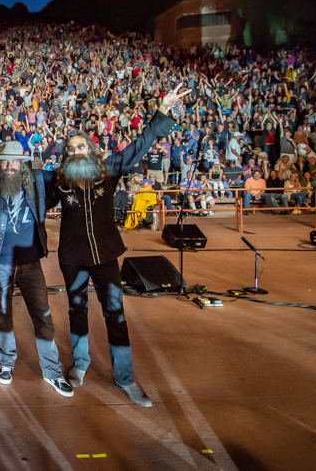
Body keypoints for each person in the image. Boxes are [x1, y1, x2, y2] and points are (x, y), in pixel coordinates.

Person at [50, 83, 191, 408]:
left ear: (91, 150)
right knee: (77, 311)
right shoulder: (58, 179)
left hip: (105, 257)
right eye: (71, 148)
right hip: (72, 259)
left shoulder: (109, 169)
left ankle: (125, 378)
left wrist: (163, 111)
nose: (77, 150)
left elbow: (140, 146)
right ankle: (80, 365)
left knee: (116, 314)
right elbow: (27, 186)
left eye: (81, 145)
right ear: (65, 154)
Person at [0, 141, 72, 397]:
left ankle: (52, 370)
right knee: (2, 315)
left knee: (42, 316)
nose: (9, 166)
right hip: (0, 265)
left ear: (23, 163)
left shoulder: (39, 183)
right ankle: (7, 361)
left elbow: (68, 173)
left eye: (14, 161)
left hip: (31, 264)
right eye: (4, 162)